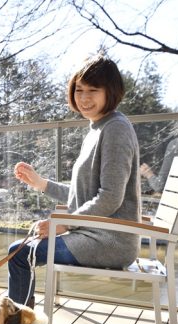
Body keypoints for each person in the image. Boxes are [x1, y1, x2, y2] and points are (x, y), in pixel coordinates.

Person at [7, 55, 141, 306]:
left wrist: (63, 224)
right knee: (21, 250)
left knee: (20, 253)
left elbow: (111, 197)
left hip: (111, 241)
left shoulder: (116, 129)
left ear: (110, 91)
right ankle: (21, 320)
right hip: (93, 233)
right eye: (79, 89)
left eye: (93, 90)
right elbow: (85, 195)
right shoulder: (98, 128)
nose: (84, 98)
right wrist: (42, 184)